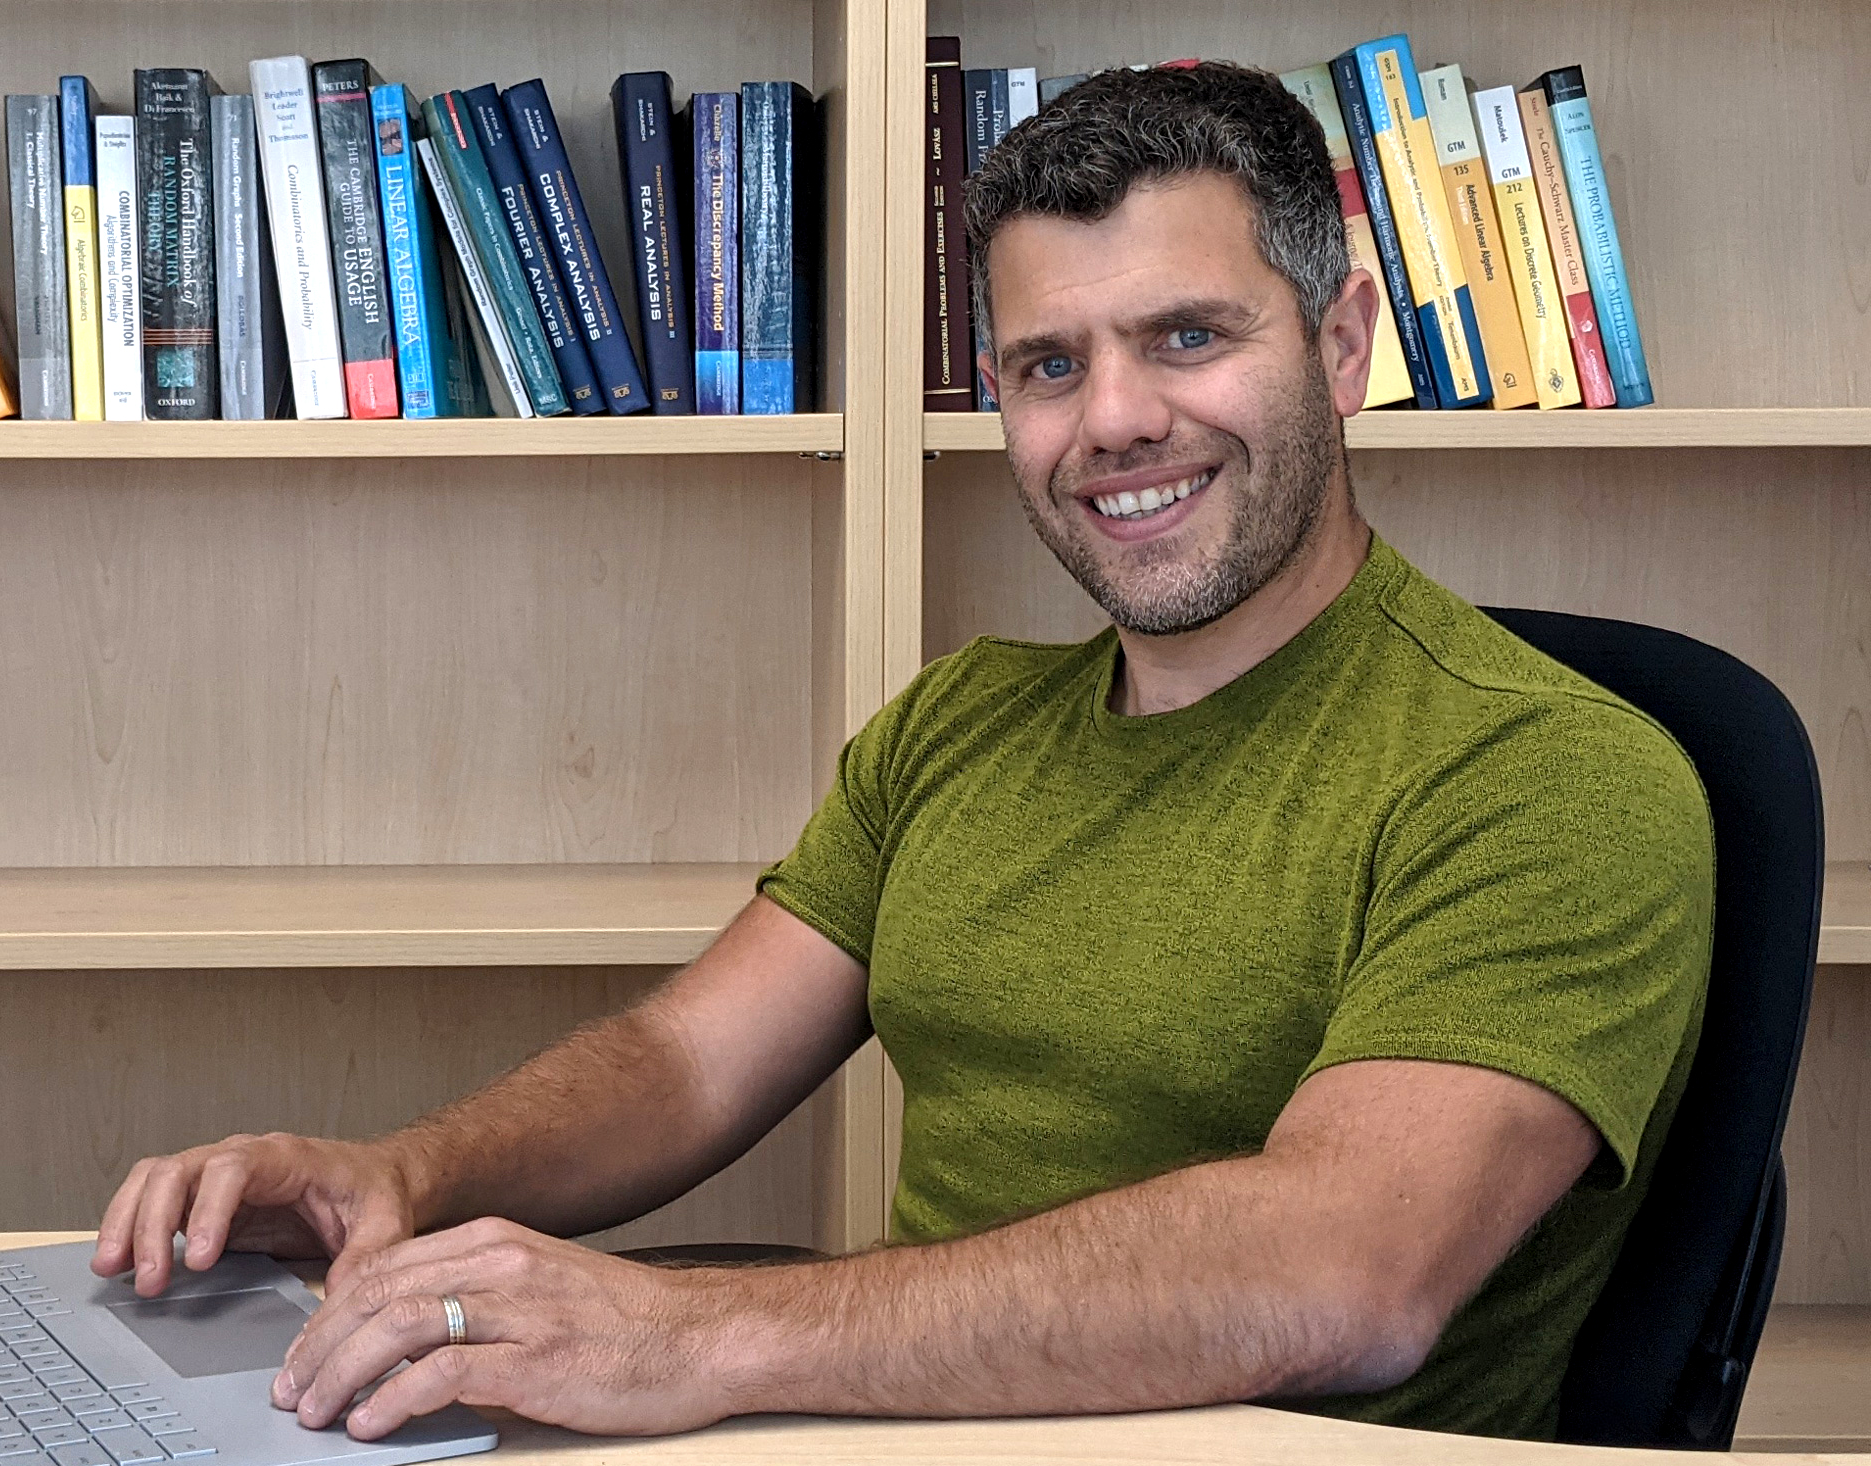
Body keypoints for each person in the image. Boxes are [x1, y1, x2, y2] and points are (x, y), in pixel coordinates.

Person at [92, 62, 1712, 1444]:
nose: (1118, 421)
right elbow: (685, 1063)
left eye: (1190, 336)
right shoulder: (959, 725)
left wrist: (700, 1336)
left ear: (1344, 346)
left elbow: (1342, 1271)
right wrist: (406, 1172)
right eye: (1048, 365)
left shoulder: (1553, 774)